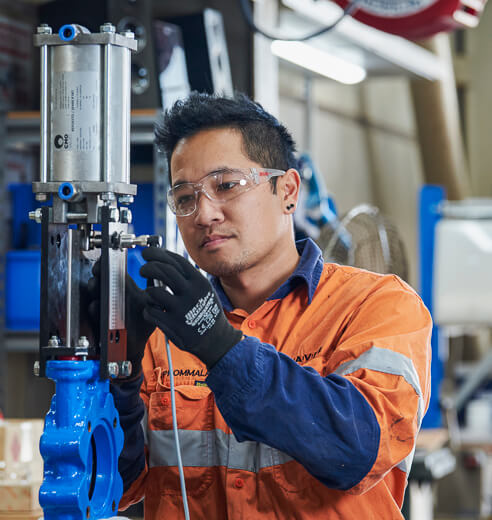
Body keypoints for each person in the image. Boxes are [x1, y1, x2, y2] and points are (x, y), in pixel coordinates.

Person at [111, 92, 432, 519]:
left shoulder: (379, 307)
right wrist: (121, 375)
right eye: (185, 198)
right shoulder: (164, 337)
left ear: (288, 190)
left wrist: (220, 346)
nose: (204, 214)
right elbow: (121, 486)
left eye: (226, 185)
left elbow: (356, 447)